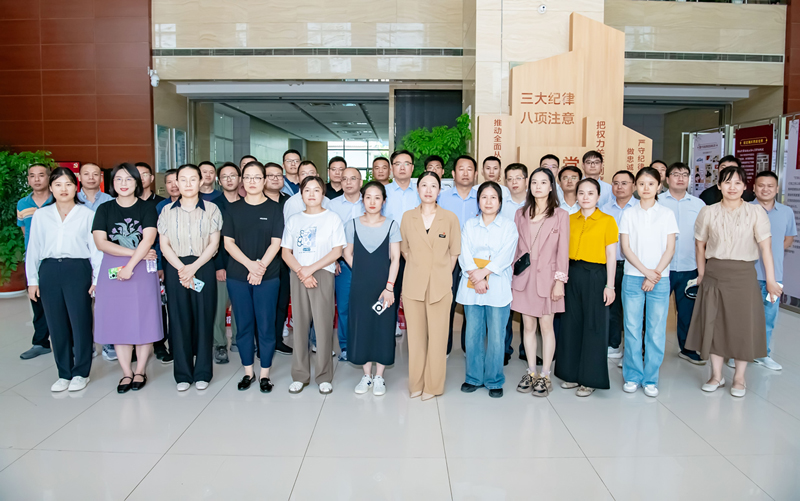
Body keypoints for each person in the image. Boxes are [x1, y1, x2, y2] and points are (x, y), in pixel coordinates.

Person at [688, 166, 780, 397]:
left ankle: (739, 378)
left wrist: (771, 280)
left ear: (745, 187)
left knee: (742, 325)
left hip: (744, 275)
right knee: (714, 324)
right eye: (727, 182)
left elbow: (766, 248)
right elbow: (700, 245)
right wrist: (702, 274)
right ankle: (716, 375)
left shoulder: (756, 212)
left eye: (738, 182)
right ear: (719, 185)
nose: (732, 187)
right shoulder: (708, 212)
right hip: (714, 274)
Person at [26, 168, 100, 392]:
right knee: (56, 324)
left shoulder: (86, 214)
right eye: (58, 184)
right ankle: (64, 373)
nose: (63, 189)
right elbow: (33, 248)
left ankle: (81, 373)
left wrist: (96, 279)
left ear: (75, 187)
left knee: (80, 321)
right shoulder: (41, 215)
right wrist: (32, 280)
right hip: (49, 270)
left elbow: (95, 249)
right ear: (51, 187)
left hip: (77, 269)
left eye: (68, 184)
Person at [92, 163, 163, 393]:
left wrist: (131, 266)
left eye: (129, 179)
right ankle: (126, 372)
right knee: (118, 319)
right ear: (112, 183)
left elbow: (148, 239)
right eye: (118, 179)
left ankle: (140, 370)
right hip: (114, 267)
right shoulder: (104, 209)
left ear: (137, 182)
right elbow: (101, 243)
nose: (123, 184)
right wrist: (134, 254)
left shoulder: (147, 208)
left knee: (144, 317)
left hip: (141, 270)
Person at [158, 164, 223, 392]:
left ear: (201, 182)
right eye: (182, 179)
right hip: (176, 268)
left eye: (192, 179)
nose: (187, 184)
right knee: (178, 319)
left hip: (203, 266)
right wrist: (182, 269)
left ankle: (203, 372)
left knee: (204, 318)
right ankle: (183, 374)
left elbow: (214, 243)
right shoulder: (167, 211)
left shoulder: (212, 209)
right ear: (176, 182)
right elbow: (164, 244)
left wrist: (193, 267)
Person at [400, 171, 461, 400]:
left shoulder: (450, 218)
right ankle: (416, 383)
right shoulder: (408, 217)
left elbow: (454, 253)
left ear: (439, 190)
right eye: (423, 185)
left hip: (440, 285)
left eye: (433, 185)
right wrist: (420, 266)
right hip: (413, 284)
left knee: (437, 338)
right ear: (417, 189)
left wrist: (440, 272)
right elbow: (405, 250)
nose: (428, 190)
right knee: (415, 338)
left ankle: (433, 386)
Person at [223, 161, 284, 392]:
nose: (252, 181)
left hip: (268, 277)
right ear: (242, 180)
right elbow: (228, 243)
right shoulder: (232, 209)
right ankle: (248, 372)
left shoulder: (274, 209)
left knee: (266, 325)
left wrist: (260, 268)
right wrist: (250, 266)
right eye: (247, 177)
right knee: (244, 325)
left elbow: (276, 243)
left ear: (264, 181)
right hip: (238, 276)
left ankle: (265, 373)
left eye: (257, 177)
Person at [282, 175, 345, 394]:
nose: (311, 194)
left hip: (323, 274)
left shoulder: (332, 218)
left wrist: (310, 269)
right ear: (301, 194)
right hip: (298, 274)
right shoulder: (294, 220)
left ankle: (324, 376)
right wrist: (302, 272)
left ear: (323, 193)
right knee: (299, 326)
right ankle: (300, 375)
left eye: (316, 190)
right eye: (307, 190)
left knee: (323, 326)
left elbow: (337, 251)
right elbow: (286, 252)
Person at [555, 178, 618, 397]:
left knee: (594, 326)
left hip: (596, 275)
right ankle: (571, 374)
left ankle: (589, 379)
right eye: (581, 193)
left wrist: (610, 285)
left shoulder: (607, 220)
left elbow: (611, 255)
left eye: (590, 193)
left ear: (598, 196)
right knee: (570, 325)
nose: (585, 197)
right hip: (571, 274)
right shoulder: (568, 219)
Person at [619, 167, 678, 398]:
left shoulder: (667, 214)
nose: (646, 188)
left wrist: (655, 274)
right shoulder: (629, 214)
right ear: (636, 186)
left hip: (660, 280)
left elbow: (670, 248)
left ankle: (651, 378)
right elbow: (626, 248)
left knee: (655, 330)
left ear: (659, 187)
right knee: (632, 328)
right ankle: (633, 376)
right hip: (633, 277)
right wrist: (646, 272)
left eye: (651, 184)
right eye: (642, 183)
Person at [511, 167, 569, 396]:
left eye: (543, 182)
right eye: (534, 182)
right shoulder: (520, 214)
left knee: (546, 327)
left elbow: (563, 251)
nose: (538, 186)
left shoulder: (561, 215)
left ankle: (545, 375)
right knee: (528, 326)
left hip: (548, 279)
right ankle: (531, 371)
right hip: (524, 278)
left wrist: (560, 281)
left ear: (551, 187)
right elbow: (516, 248)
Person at [458, 182, 518, 398]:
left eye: (493, 197)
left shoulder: (508, 226)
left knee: (496, 336)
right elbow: (464, 253)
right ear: (478, 201)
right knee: (473, 334)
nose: (489, 202)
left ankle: (494, 380)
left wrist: (483, 273)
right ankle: (473, 377)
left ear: (500, 202)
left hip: (497, 284)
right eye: (484, 197)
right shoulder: (469, 225)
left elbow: (506, 255)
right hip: (472, 284)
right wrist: (476, 276)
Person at [343, 181, 401, 395]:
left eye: (377, 197)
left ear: (384, 201)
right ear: (362, 200)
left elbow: (395, 258)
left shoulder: (392, 225)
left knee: (383, 328)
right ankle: (366, 375)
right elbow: (346, 253)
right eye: (368, 197)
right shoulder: (352, 224)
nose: (372, 201)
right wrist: (361, 270)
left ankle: (379, 377)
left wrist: (389, 287)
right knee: (362, 327)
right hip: (360, 287)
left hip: (384, 288)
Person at [740, 171, 796, 371]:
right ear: (754, 188)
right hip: (748, 275)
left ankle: (762, 354)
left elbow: (788, 239)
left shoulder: (786, 212)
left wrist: (770, 252)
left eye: (770, 186)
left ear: (777, 189)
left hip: (774, 276)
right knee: (744, 317)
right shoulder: (745, 209)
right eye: (761, 185)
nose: (765, 189)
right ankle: (739, 354)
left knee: (769, 318)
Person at [660, 162, 706, 365]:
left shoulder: (699, 204)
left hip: (689, 266)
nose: (680, 178)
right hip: (661, 268)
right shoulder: (658, 201)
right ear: (667, 178)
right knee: (656, 311)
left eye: (685, 174)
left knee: (687, 311)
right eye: (676, 174)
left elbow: (704, 237)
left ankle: (687, 348)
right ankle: (647, 348)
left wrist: (702, 269)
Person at [438, 155, 479, 355]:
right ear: (453, 174)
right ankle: (444, 347)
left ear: (476, 174)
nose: (465, 173)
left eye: (469, 169)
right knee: (447, 303)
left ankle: (468, 346)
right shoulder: (442, 198)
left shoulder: (483, 197)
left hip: (475, 259)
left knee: (472, 304)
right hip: (447, 258)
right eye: (461, 169)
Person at [328, 167, 365, 361]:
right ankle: (345, 346)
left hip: (368, 263)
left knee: (366, 306)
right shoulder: (332, 205)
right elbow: (328, 235)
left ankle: (365, 345)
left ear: (361, 181)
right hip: (342, 264)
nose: (348, 182)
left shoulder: (369, 201)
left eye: (353, 178)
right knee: (343, 307)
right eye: (344, 179)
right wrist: (334, 259)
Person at [601, 170, 638, 360]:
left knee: (633, 309)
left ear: (634, 185)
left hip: (635, 266)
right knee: (611, 307)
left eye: (624, 183)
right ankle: (613, 344)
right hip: (611, 265)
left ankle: (633, 351)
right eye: (615, 183)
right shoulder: (604, 209)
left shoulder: (640, 208)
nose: (619, 187)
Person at [18, 163, 53, 360]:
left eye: (41, 175)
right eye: (32, 176)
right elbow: (26, 233)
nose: (37, 179)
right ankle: (40, 343)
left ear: (49, 177)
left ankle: (72, 343)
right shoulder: (23, 204)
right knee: (37, 303)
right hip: (34, 260)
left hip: (56, 259)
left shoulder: (58, 199)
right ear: (28, 179)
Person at [212, 162, 241, 364]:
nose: (229, 179)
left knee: (241, 304)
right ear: (219, 181)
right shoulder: (213, 206)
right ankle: (219, 343)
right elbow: (211, 240)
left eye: (233, 175)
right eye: (225, 176)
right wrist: (219, 265)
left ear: (240, 179)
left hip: (242, 263)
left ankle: (239, 339)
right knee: (219, 307)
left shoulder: (247, 203)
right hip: (222, 262)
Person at [501, 163, 529, 364]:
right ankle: (504, 349)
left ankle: (526, 349)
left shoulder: (536, 203)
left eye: (518, 178)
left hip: (529, 263)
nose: (514, 182)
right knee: (506, 308)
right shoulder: (501, 204)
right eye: (510, 179)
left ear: (526, 180)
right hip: (506, 262)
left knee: (528, 308)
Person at [264, 162, 293, 355]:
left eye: (278, 175)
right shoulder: (256, 200)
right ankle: (263, 342)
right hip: (262, 260)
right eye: (270, 175)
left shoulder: (289, 201)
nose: (275, 178)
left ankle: (277, 340)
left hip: (284, 259)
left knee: (281, 302)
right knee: (264, 305)